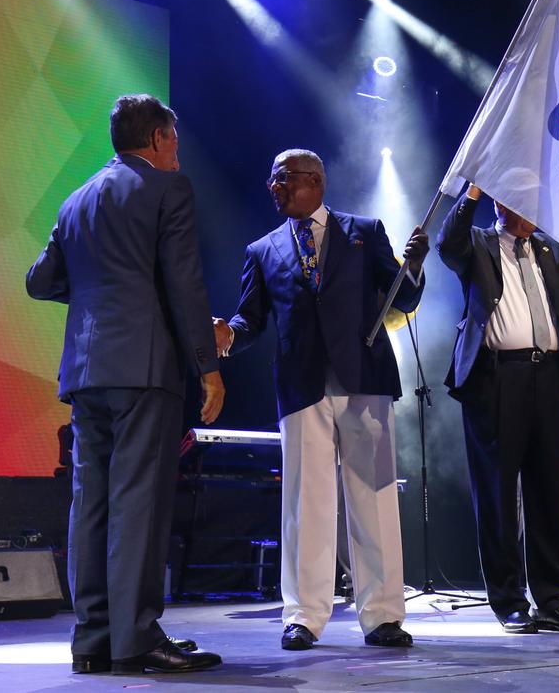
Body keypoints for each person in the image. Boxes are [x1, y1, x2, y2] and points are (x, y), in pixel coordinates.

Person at [26, 94, 225, 674]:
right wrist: (207, 366)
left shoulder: (76, 199)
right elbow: (185, 285)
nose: (179, 156)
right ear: (160, 139)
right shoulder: (167, 190)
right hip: (143, 368)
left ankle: (93, 639)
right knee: (138, 502)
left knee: (91, 503)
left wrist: (98, 288)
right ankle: (136, 638)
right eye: (176, 145)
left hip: (86, 373)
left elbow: (40, 282)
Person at [214, 148, 429, 651]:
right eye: (272, 179)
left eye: (281, 178)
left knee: (373, 499)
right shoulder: (262, 250)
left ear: (314, 182)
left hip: (365, 379)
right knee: (305, 502)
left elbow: (401, 298)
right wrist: (226, 334)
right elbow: (251, 320)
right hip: (302, 383)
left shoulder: (365, 231)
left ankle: (382, 616)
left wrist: (414, 268)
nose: (273, 187)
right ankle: (305, 616)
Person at [436, 183, 559, 634]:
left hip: (548, 377)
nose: (529, 214)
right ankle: (508, 601)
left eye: (535, 205)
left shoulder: (547, 249)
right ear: (500, 204)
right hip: (496, 378)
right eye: (520, 204)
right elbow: (448, 244)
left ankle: (551, 599)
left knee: (547, 492)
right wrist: (470, 193)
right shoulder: (479, 243)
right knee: (499, 493)